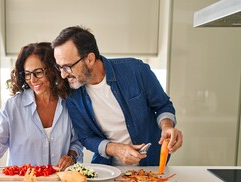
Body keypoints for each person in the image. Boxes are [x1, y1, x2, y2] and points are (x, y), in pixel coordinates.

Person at [51, 26, 183, 166]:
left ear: (90, 59)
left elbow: (162, 105)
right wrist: (116, 150)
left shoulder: (135, 70)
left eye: (67, 67)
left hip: (152, 165)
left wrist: (167, 127)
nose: (63, 75)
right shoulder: (72, 94)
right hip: (107, 169)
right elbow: (86, 137)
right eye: (59, 67)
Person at [0, 42, 83, 182]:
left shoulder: (69, 103)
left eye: (38, 72)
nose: (33, 80)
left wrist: (71, 156)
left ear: (53, 70)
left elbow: (77, 141)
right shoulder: (13, 107)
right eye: (27, 74)